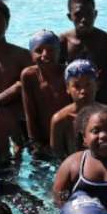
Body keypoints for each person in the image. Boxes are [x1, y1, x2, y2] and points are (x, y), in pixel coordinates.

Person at [60, 0, 107, 114]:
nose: (84, 19)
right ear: (70, 17)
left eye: (88, 13)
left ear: (95, 14)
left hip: (103, 108)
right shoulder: (63, 42)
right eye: (78, 15)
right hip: (74, 109)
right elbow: (57, 78)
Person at [20, 30, 70, 158]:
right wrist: (35, 143)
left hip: (67, 139)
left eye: (51, 50)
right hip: (42, 140)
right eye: (39, 50)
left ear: (59, 52)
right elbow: (30, 112)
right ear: (31, 54)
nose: (45, 55)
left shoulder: (68, 75)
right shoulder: (29, 76)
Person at [49, 59, 104, 159]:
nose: (83, 91)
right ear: (67, 88)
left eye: (88, 84)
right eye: (77, 86)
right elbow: (56, 157)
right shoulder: (60, 120)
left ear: (97, 85)